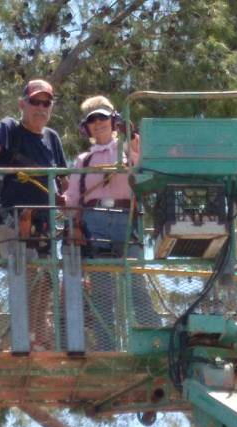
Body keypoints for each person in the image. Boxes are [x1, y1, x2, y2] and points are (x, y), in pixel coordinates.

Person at [0, 79, 66, 351]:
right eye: (35, 102)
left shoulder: (52, 139)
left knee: (46, 280)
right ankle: (22, 338)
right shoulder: (10, 128)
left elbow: (64, 180)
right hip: (10, 219)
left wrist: (71, 200)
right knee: (27, 272)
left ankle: (36, 337)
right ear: (22, 104)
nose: (40, 107)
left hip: (43, 222)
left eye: (46, 103)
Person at [64, 96, 161, 351]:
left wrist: (133, 139)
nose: (98, 123)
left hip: (126, 219)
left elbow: (144, 168)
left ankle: (155, 344)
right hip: (94, 223)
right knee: (102, 292)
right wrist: (74, 225)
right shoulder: (83, 161)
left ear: (114, 121)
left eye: (103, 117)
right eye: (92, 120)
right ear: (86, 128)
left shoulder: (128, 149)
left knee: (137, 285)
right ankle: (108, 350)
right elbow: (73, 197)